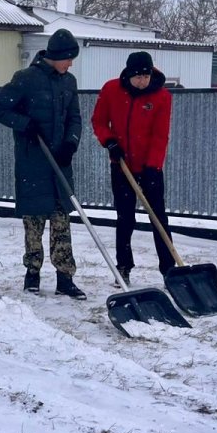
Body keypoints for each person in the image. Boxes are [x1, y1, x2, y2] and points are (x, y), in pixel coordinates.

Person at [0, 28, 86, 299]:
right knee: (34, 223)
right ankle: (32, 274)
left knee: (61, 222)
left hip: (60, 164)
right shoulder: (25, 79)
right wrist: (25, 124)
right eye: (69, 58)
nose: (71, 64)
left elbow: (75, 118)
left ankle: (65, 277)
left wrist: (71, 143)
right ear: (57, 56)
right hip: (33, 163)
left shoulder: (69, 82)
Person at [91, 51, 174, 283]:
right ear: (128, 74)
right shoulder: (111, 90)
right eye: (137, 77)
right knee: (125, 218)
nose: (142, 81)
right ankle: (124, 267)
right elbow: (98, 120)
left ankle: (168, 269)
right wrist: (109, 141)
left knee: (159, 218)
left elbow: (160, 135)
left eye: (145, 77)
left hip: (150, 167)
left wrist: (152, 167)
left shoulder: (162, 97)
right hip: (121, 165)